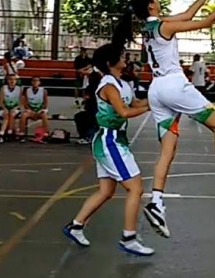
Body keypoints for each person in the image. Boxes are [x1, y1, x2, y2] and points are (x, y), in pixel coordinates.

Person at [120, 0, 215, 239]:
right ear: (151, 6)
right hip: (174, 86)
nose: (158, 0)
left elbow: (189, 12)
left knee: (167, 150)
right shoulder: (165, 27)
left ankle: (157, 202)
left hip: (156, 90)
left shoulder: (150, 28)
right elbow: (207, 21)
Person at [63, 42, 153, 256]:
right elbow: (124, 112)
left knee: (106, 191)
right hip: (109, 141)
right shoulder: (108, 86)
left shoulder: (122, 83)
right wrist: (152, 106)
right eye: (122, 55)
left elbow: (137, 103)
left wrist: (159, 99)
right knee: (135, 188)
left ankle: (76, 226)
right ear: (109, 62)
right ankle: (129, 237)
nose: (126, 58)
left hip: (114, 140)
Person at [19, 76, 49, 142]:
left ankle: (46, 133)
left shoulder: (44, 91)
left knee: (44, 115)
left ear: (39, 82)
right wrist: (31, 110)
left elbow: (45, 103)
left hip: (40, 110)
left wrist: (41, 110)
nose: (35, 82)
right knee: (24, 115)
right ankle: (21, 133)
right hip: (31, 110)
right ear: (31, 82)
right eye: (34, 81)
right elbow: (25, 103)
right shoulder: (27, 90)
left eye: (37, 81)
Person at [0, 74, 22, 142]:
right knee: (6, 115)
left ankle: (9, 132)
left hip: (15, 108)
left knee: (12, 114)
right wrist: (5, 108)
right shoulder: (3, 88)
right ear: (7, 80)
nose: (12, 81)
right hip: (4, 108)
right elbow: (1, 102)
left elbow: (20, 103)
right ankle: (1, 134)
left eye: (14, 79)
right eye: (10, 79)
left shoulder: (19, 89)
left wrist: (14, 108)